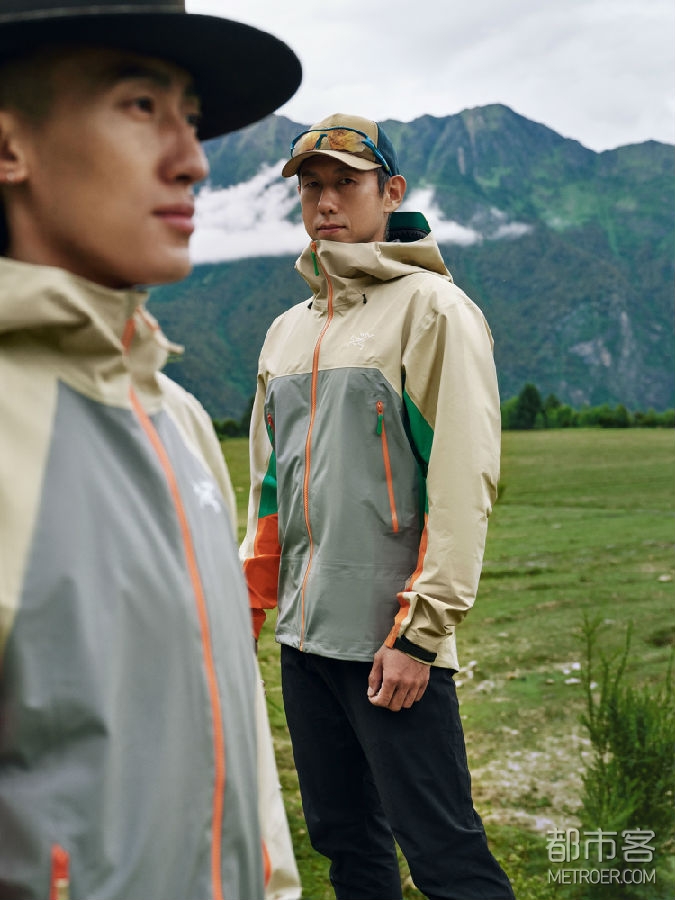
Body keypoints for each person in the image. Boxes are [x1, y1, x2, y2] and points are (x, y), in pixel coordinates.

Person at [0, 2, 302, 899]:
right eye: (141, 105)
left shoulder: (176, 418)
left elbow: (236, 736)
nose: (193, 159)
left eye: (192, 117)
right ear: (8, 146)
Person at [242, 113, 516, 900]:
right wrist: (249, 609)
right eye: (311, 187)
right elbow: (269, 487)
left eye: (345, 183)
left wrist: (418, 635)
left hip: (389, 645)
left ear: (390, 191)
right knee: (346, 846)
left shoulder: (434, 311)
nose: (326, 202)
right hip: (304, 641)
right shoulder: (286, 332)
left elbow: (462, 482)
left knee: (444, 856)